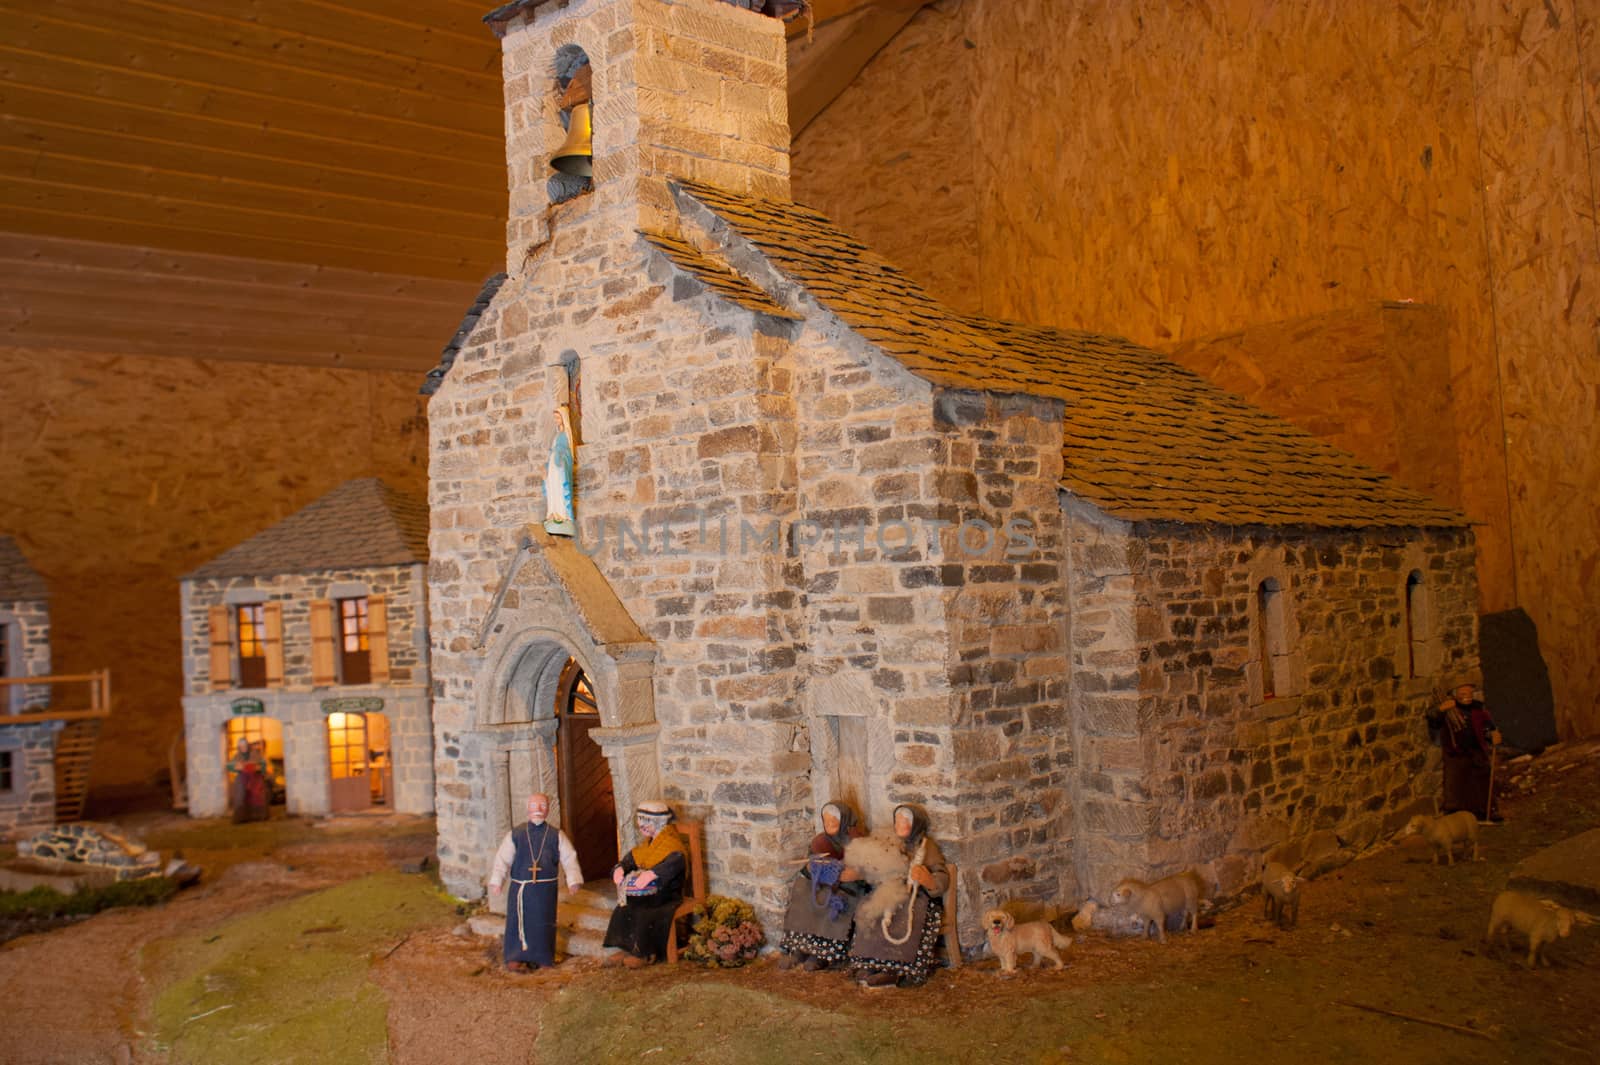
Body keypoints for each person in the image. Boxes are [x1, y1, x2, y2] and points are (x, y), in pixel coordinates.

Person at [848, 803, 949, 988]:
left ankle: (894, 969)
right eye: (898, 821)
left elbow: (941, 875)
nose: (900, 826)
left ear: (916, 824)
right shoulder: (889, 841)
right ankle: (869, 962)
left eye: (906, 822)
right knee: (872, 908)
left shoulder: (926, 847)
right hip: (891, 890)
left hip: (916, 898)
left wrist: (928, 879)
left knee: (902, 917)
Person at [488, 793, 584, 972]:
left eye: (542, 805)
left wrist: (573, 880)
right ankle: (514, 957)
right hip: (520, 890)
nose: (538, 810)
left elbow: (569, 858)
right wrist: (497, 880)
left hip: (544, 891)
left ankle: (544, 958)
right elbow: (502, 859)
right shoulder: (516, 834)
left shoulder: (556, 835)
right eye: (534, 805)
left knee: (543, 923)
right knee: (518, 922)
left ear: (548, 809)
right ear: (527, 808)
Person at [777, 800, 867, 971]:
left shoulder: (857, 841)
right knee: (803, 892)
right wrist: (813, 867)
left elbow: (867, 869)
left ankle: (821, 953)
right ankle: (799, 948)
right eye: (826, 821)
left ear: (845, 821)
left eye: (834, 821)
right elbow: (810, 864)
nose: (830, 824)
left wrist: (855, 873)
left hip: (847, 887)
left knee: (833, 901)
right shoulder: (820, 841)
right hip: (823, 883)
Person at [601, 800, 688, 968]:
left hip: (665, 895)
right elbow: (630, 860)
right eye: (640, 819)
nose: (641, 825)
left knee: (644, 912)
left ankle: (646, 952)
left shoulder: (672, 846)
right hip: (647, 894)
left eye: (646, 820)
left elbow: (672, 865)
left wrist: (652, 874)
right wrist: (619, 869)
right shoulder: (646, 846)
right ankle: (627, 948)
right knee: (623, 908)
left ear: (660, 822)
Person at [1427, 682, 1503, 819]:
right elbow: (1433, 719)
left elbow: (1488, 726)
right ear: (1455, 696)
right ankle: (1457, 816)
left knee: (1482, 782)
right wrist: (1440, 709)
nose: (1468, 697)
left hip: (1477, 751)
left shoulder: (1478, 708)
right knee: (1456, 785)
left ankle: (1486, 812)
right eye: (1463, 694)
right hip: (1456, 753)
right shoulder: (1449, 711)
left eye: (1470, 694)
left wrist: (1492, 735)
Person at [227, 736, 269, 823]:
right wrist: (237, 767)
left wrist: (257, 767)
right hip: (243, 778)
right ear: (239, 747)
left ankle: (258, 816)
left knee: (257, 794)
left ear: (247, 746)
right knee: (240, 793)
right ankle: (242, 817)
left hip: (255, 778)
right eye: (241, 746)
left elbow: (263, 765)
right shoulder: (237, 756)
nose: (243, 748)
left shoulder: (255, 754)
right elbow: (230, 766)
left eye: (245, 746)